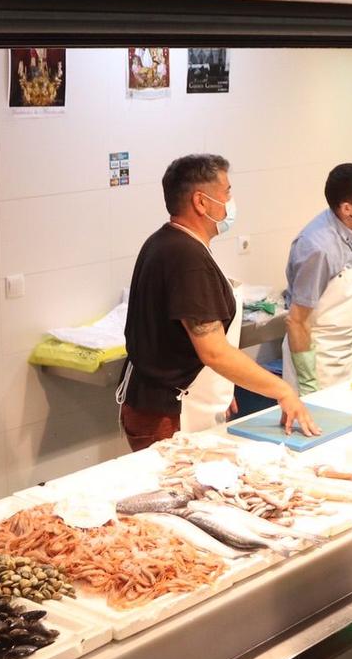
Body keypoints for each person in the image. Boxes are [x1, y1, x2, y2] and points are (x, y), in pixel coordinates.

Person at [118, 154, 316, 450]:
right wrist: (283, 390)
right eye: (227, 193)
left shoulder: (169, 241)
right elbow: (214, 352)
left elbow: (186, 343)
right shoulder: (186, 258)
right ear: (201, 202)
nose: (231, 201)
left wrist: (221, 386)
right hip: (168, 414)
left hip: (170, 402)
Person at [283, 164, 352, 394]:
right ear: (347, 208)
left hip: (345, 353)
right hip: (317, 358)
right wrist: (308, 380)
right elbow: (296, 321)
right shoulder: (318, 248)